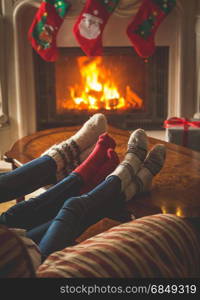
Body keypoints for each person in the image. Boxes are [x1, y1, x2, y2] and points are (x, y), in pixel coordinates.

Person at [0, 117, 167, 263]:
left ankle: (124, 182)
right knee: (73, 207)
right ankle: (124, 180)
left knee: (15, 214)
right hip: (29, 264)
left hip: (8, 242)